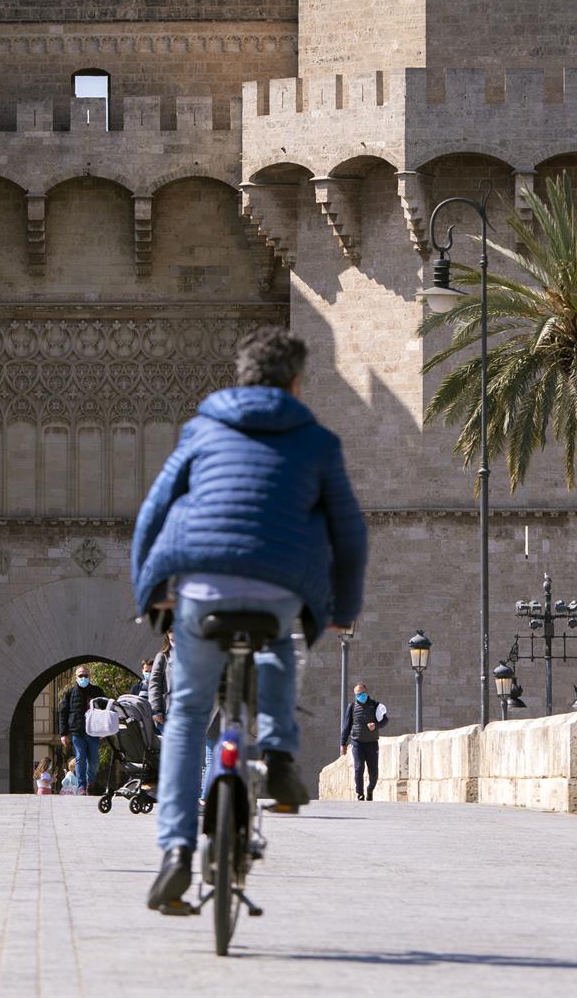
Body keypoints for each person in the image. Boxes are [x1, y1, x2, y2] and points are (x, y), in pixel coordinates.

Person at [131, 324, 367, 912]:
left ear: (240, 379)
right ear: (296, 383)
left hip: (200, 585)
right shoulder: (317, 441)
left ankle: (175, 853)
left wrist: (147, 593)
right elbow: (350, 535)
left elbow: (153, 512)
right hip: (280, 583)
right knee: (280, 639)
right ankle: (281, 759)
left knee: (187, 717)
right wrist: (342, 610)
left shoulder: (201, 429)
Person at [56, 665, 104, 796]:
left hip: (93, 731)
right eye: (80, 676)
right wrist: (63, 734)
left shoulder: (97, 691)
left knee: (94, 760)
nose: (83, 678)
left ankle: (90, 782)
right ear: (76, 677)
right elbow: (63, 713)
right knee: (80, 758)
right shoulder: (69, 693)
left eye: (85, 675)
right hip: (77, 732)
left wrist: (103, 731)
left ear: (90, 676)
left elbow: (104, 711)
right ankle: (82, 786)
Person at [340, 683, 387, 800]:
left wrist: (375, 725)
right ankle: (360, 793)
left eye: (362, 693)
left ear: (366, 692)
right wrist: (343, 743)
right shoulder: (352, 707)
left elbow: (385, 721)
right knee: (359, 767)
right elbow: (346, 726)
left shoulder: (376, 705)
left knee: (374, 772)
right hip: (357, 742)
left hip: (372, 743)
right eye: (357, 694)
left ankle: (370, 789)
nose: (360, 696)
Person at [149, 631, 173, 729]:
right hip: (167, 715)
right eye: (172, 640)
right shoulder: (163, 657)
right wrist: (155, 710)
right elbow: (154, 683)